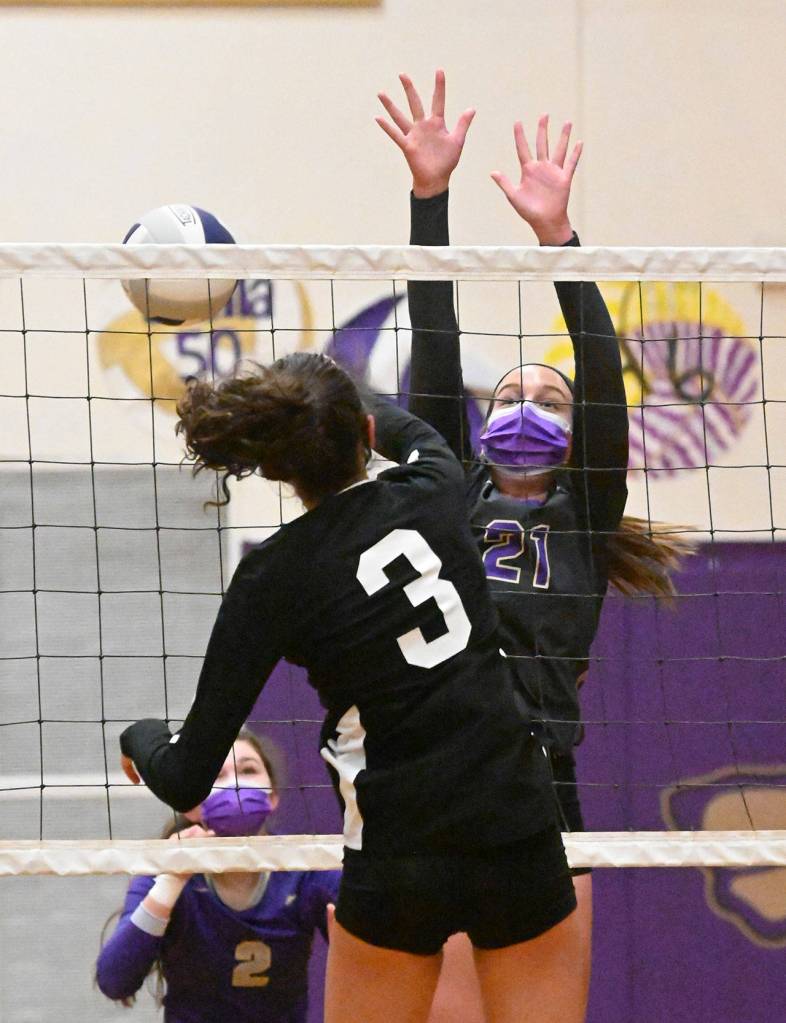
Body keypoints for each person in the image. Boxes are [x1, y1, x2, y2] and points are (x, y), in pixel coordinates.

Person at [118, 350, 588, 1023]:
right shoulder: (435, 481)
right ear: (366, 433)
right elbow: (402, 427)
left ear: (279, 466)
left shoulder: (271, 578)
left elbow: (188, 774)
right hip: (513, 821)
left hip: (399, 849)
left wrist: (138, 737)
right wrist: (318, 390)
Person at [376, 70, 690, 1022]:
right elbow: (434, 333)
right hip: (432, 773)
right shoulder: (445, 488)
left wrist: (559, 240)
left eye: (545, 400)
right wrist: (430, 197)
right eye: (509, 396)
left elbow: (598, 369)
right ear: (481, 419)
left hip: (543, 779)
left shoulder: (586, 508)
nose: (525, 408)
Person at [96, 729, 340, 1021]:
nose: (235, 785)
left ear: (273, 796)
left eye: (248, 770)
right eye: (216, 776)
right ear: (192, 804)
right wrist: (172, 881)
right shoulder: (162, 872)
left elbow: (372, 956)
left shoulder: (304, 869)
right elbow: (114, 981)